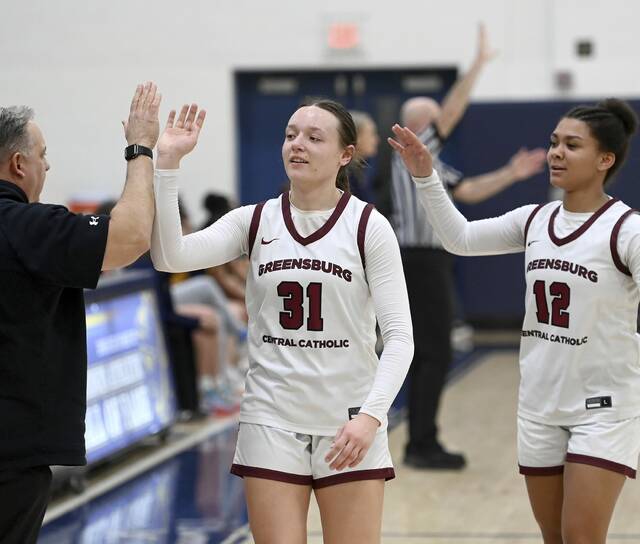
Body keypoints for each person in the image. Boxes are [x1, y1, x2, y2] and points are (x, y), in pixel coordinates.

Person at [151, 100, 413, 542]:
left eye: (314, 137)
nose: (298, 145)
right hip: (271, 417)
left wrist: (370, 417)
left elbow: (400, 338)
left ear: (345, 154)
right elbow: (169, 256)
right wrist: (167, 166)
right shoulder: (253, 221)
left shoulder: (370, 227)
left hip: (348, 421)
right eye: (291, 134)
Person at [389, 97, 640, 543]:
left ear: (606, 159)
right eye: (554, 143)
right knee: (554, 535)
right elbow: (459, 238)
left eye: (572, 145)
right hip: (539, 405)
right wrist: (425, 177)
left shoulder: (626, 230)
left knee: (583, 536)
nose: (556, 153)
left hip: (602, 409)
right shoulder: (535, 220)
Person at [0, 82, 161, 543]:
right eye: (43, 155)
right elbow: (130, 236)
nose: (47, 166)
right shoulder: (28, 227)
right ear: (18, 164)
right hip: (11, 453)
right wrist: (140, 148)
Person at [392, 23, 547, 470]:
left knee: (433, 350)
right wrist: (478, 65)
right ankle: (420, 443)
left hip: (427, 260)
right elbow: (453, 112)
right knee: (433, 351)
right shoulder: (411, 148)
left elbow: (469, 191)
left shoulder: (430, 162)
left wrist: (512, 173)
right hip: (418, 259)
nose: (442, 120)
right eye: (434, 117)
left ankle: (422, 439)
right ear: (419, 124)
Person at [348, 110, 380, 203]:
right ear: (356, 137)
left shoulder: (364, 165)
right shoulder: (343, 176)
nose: (377, 140)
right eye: (372, 134)